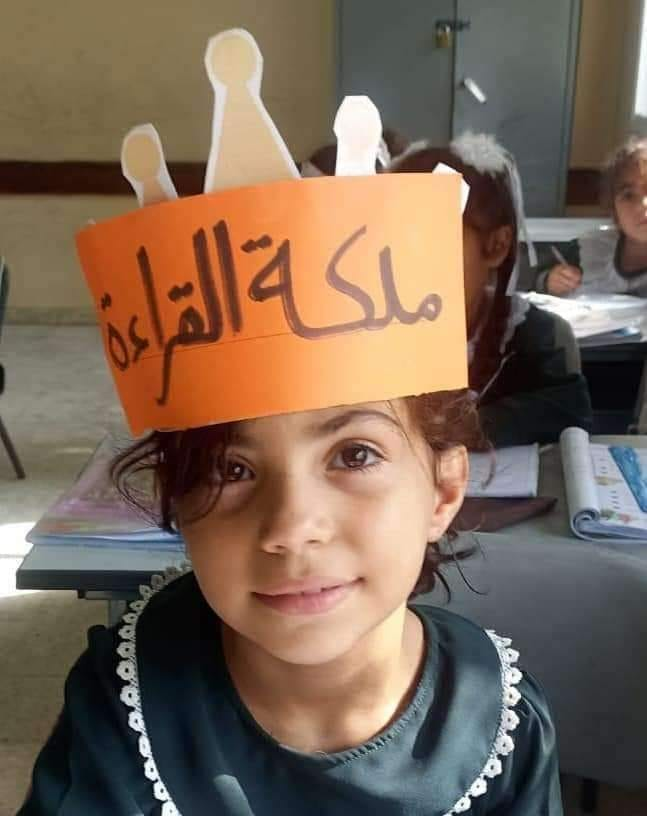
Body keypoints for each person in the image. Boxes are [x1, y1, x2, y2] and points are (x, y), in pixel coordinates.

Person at [19, 32, 563, 815]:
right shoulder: (123, 704)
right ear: (174, 503)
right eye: (230, 468)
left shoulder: (501, 726)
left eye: (353, 454)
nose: (290, 528)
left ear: (444, 488)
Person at [390, 134, 593, 447]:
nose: (409, 260)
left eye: (433, 240)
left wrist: (469, 427)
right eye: (395, 239)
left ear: (497, 245)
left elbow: (568, 412)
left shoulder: (533, 336)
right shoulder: (368, 335)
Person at [536, 135, 647, 297]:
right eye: (628, 195)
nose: (643, 204)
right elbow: (539, 279)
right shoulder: (593, 248)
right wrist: (550, 281)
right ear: (613, 209)